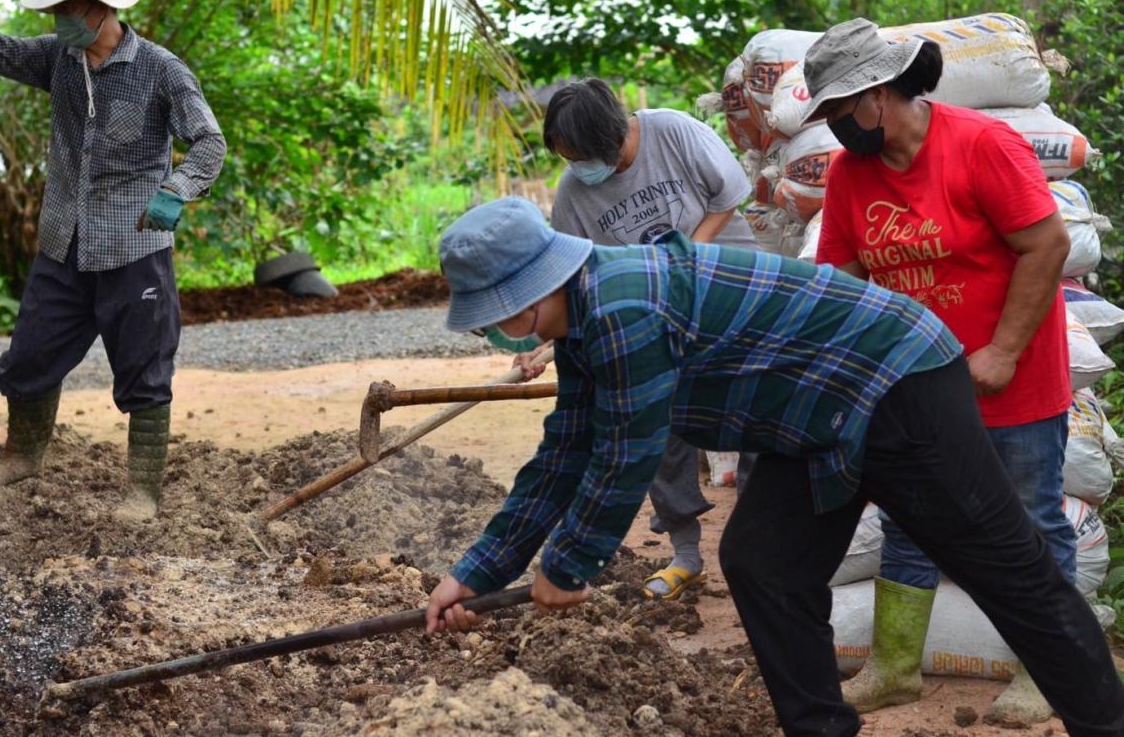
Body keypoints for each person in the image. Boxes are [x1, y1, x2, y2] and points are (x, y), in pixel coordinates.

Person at [423, 196, 1124, 737]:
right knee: (764, 563)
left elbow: (625, 454)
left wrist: (569, 563)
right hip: (816, 415)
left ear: (532, 292)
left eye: (496, 317)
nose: (495, 333)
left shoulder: (622, 306)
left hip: (897, 381)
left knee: (1008, 570)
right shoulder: (583, 321)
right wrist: (476, 572)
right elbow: (563, 454)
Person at [0, 0, 226, 521]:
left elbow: (209, 142)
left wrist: (177, 190)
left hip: (134, 248)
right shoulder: (59, 60)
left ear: (101, 8)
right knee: (28, 357)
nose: (59, 21)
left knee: (145, 370)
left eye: (69, 10)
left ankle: (142, 492)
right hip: (64, 243)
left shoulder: (161, 69)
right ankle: (24, 455)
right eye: (55, 11)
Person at [807, 17, 1077, 723]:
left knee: (1031, 520)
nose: (834, 126)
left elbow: (1047, 245)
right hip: (915, 387)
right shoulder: (849, 174)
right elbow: (840, 278)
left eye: (839, 109)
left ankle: (1051, 672)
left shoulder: (983, 144)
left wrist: (1003, 350)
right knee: (909, 520)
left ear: (879, 94)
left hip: (1011, 378)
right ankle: (896, 668)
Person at [511, 78, 760, 601]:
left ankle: (764, 546)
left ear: (606, 136)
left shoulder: (673, 132)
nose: (576, 167)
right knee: (653, 419)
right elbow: (577, 279)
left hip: (729, 290)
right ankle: (686, 554)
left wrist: (680, 262)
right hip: (655, 316)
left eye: (579, 155)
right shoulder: (574, 194)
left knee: (756, 418)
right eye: (567, 158)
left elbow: (729, 197)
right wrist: (546, 341)